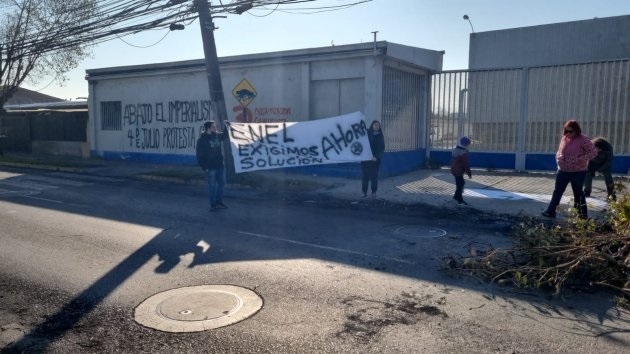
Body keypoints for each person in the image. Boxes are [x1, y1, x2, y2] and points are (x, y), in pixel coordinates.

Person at [542, 120, 598, 219]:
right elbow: (559, 151)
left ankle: (582, 215)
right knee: (557, 191)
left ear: (576, 130)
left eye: (570, 131)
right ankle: (550, 211)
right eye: (566, 131)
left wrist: (579, 159)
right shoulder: (564, 138)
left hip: (578, 171)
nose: (568, 133)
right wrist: (558, 159)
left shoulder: (584, 140)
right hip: (563, 171)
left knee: (578, 193)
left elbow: (593, 153)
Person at [196, 120, 228, 211]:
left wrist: (226, 125)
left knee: (222, 184)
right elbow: (199, 155)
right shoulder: (202, 140)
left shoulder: (217, 135)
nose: (216, 128)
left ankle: (219, 202)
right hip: (210, 167)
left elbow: (225, 135)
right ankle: (213, 205)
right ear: (208, 128)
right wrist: (204, 167)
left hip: (220, 165)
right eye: (214, 127)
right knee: (212, 186)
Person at [583, 137, 616, 201]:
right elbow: (586, 156)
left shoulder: (608, 148)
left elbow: (608, 161)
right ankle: (586, 192)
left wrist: (601, 169)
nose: (598, 150)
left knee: (608, 176)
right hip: (592, 162)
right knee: (587, 174)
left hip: (605, 163)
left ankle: (611, 195)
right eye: (597, 148)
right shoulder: (590, 146)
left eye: (600, 149)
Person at [361, 120, 385, 198]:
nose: (377, 126)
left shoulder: (380, 135)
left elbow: (382, 148)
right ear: (372, 125)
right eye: (375, 125)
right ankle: (364, 192)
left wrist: (376, 157)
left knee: (374, 177)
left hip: (375, 161)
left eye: (378, 125)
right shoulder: (367, 133)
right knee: (365, 177)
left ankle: (374, 192)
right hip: (366, 160)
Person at [451, 136, 472, 205]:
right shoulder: (463, 152)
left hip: (454, 169)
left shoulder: (456, 149)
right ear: (466, 144)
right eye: (469, 144)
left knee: (460, 183)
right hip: (458, 170)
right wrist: (469, 172)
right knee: (460, 184)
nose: (469, 145)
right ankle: (459, 198)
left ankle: (456, 196)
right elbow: (465, 164)